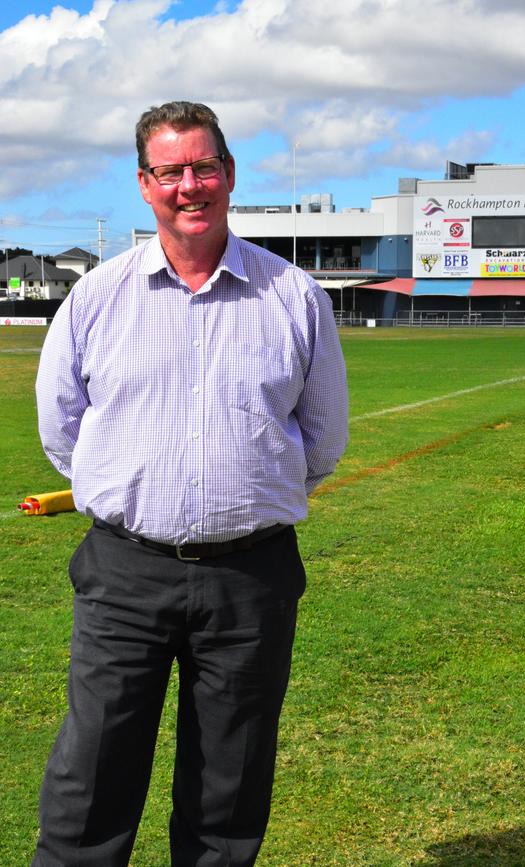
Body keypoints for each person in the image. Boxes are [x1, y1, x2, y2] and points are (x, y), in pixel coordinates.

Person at [32, 101, 348, 867]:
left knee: (229, 789)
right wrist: (139, 491)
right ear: (145, 184)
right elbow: (62, 431)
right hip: (124, 574)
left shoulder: (294, 297)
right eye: (170, 170)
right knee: (92, 775)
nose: (190, 185)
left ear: (230, 175)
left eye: (204, 166)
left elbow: (322, 437)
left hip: (252, 574)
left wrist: (238, 497)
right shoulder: (96, 298)